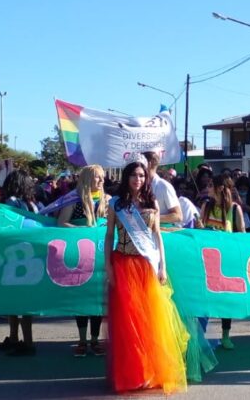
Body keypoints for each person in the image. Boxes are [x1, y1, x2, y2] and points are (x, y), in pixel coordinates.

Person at [105, 160, 190, 394]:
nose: (138, 179)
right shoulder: (116, 204)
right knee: (129, 322)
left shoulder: (151, 201)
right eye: (134, 175)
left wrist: (163, 266)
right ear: (126, 178)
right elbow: (108, 236)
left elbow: (157, 237)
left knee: (150, 320)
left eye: (142, 176)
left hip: (146, 265)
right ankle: (133, 372)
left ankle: (150, 371)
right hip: (123, 263)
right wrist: (108, 268)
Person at [57, 165, 110, 357]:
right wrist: (82, 231)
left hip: (101, 254)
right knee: (82, 296)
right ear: (88, 179)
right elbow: (62, 223)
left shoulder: (107, 200)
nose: (102, 181)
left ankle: (95, 340)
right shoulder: (73, 198)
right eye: (98, 178)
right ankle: (81, 340)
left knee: (97, 297)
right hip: (79, 253)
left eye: (103, 178)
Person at [197, 173, 245, 349]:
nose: (207, 189)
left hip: (226, 262)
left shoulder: (234, 209)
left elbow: (242, 235)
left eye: (210, 186)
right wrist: (200, 229)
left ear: (220, 188)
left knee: (226, 300)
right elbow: (199, 233)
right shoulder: (206, 206)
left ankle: (226, 335)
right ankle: (200, 333)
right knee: (205, 298)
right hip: (206, 261)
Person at [0, 170, 39, 357]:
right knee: (20, 301)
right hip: (31, 254)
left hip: (13, 254)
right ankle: (17, 338)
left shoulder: (11, 203)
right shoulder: (33, 204)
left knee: (16, 301)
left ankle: (25, 342)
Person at [142, 151, 183, 226]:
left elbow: (178, 216)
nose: (138, 165)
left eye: (141, 163)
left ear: (149, 164)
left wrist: (152, 218)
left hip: (164, 233)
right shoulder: (140, 185)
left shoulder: (164, 186)